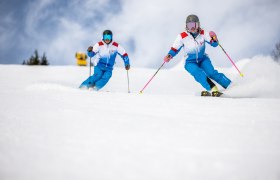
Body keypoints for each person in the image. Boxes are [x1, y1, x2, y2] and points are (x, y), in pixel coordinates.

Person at [163, 14, 231, 97]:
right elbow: (175, 48)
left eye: (194, 25)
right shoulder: (182, 36)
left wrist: (215, 39)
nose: (192, 28)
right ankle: (213, 88)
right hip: (190, 62)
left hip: (203, 59)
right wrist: (169, 55)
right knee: (198, 73)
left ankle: (230, 85)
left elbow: (214, 44)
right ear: (186, 26)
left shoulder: (203, 33)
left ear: (198, 25)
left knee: (211, 72)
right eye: (189, 25)